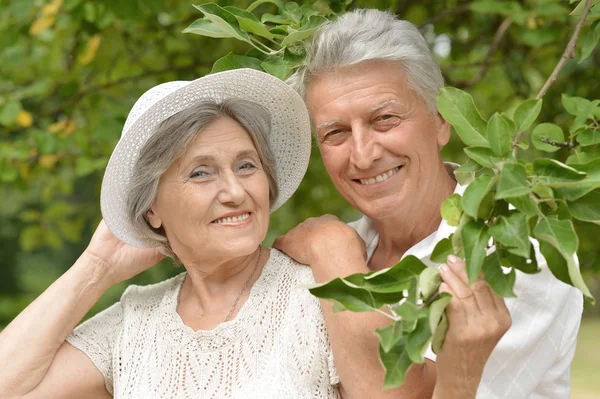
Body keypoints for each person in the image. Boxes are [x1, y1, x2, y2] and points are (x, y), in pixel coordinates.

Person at [0, 68, 508, 399]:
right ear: (153, 209)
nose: (235, 192)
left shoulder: (326, 287)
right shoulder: (137, 317)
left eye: (246, 166)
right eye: (201, 173)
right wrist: (95, 269)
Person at [276, 8, 583, 399]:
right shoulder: (330, 254)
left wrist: (331, 249)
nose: (363, 155)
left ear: (441, 120)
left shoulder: (518, 255)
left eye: (384, 118)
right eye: (336, 132)